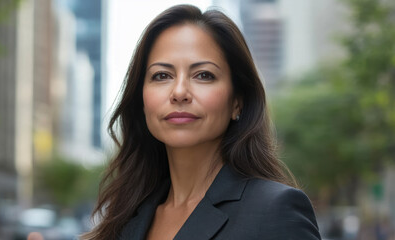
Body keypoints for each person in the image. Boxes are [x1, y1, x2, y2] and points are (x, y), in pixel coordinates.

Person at [82, 4, 321, 240]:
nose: (179, 92)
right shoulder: (125, 218)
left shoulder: (275, 211)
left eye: (203, 75)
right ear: (142, 101)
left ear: (237, 102)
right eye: (162, 75)